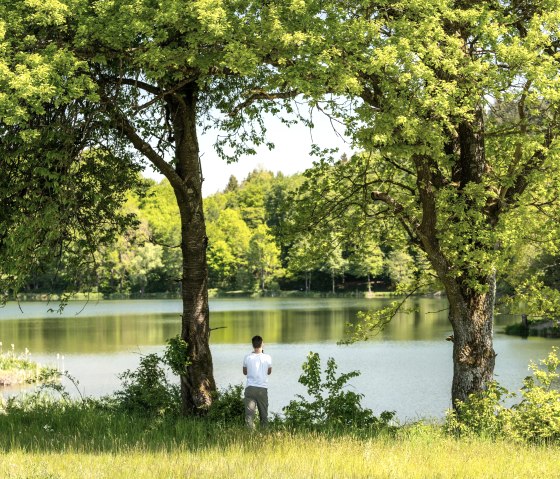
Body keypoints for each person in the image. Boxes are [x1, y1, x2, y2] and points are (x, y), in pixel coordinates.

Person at [242, 335, 272, 429]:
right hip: (262, 389)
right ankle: (264, 433)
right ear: (262, 344)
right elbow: (269, 372)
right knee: (264, 414)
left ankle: (250, 435)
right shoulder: (267, 357)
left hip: (250, 388)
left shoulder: (247, 357)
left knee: (249, 416)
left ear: (252, 345)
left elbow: (244, 372)